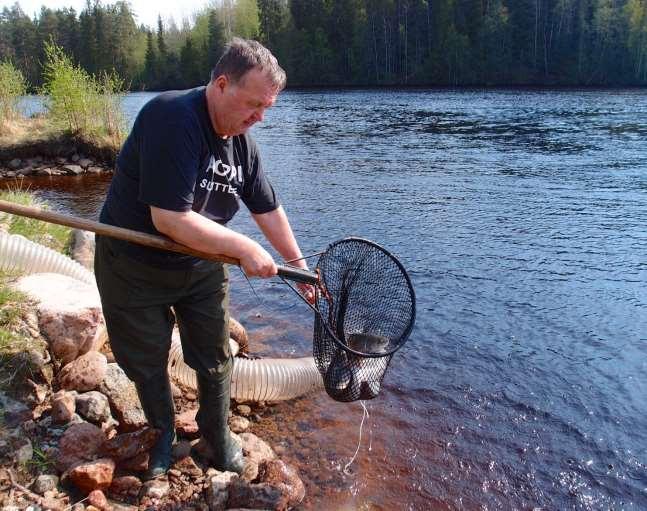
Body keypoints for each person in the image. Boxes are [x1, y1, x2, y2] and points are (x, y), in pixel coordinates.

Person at [94, 38, 314, 480]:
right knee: (146, 357)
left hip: (200, 264)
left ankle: (216, 434)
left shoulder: (242, 142)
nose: (260, 118)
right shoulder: (172, 117)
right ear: (221, 84)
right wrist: (246, 248)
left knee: (215, 354)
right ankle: (162, 434)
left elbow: (266, 208)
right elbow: (170, 219)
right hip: (133, 263)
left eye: (267, 108)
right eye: (254, 104)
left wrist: (299, 264)